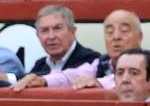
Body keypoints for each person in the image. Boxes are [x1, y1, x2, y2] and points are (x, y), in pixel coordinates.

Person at [11, 9, 142, 93]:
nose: (116, 37)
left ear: (140, 36)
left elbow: (130, 80)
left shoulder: (147, 62)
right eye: (109, 31)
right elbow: (72, 75)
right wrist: (44, 80)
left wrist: (99, 82)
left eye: (124, 30)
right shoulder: (100, 63)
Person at [11, 5, 103, 91]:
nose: (51, 36)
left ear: (73, 31)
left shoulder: (91, 59)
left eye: (57, 28)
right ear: (38, 36)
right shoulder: (40, 65)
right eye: (44, 30)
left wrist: (43, 80)